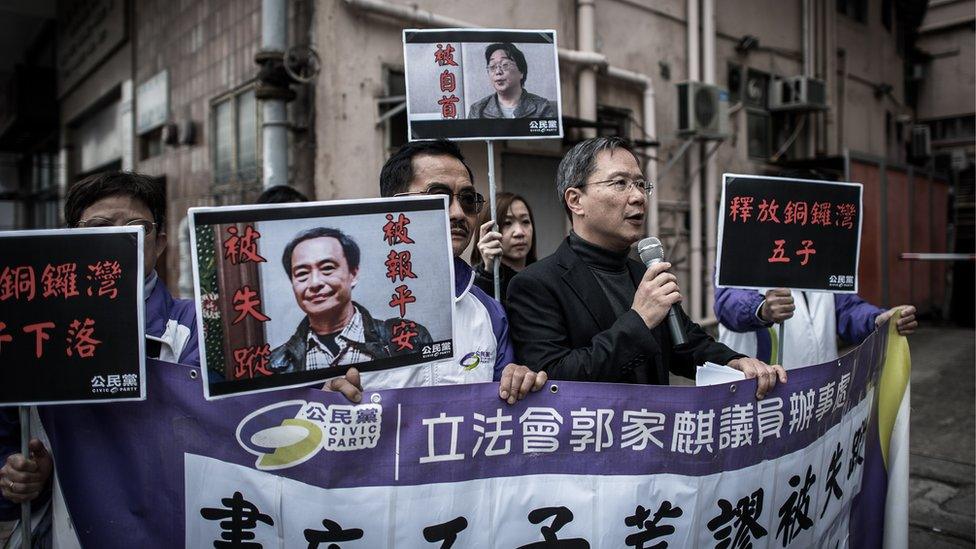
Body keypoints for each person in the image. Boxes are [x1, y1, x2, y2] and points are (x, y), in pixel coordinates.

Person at [0, 171, 201, 542]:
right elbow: (8, 441)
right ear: (72, 239)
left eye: (136, 228)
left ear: (159, 244)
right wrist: (19, 478)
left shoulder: (197, 328)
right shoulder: (31, 330)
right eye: (100, 226)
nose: (118, 239)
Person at [506, 137, 786, 398]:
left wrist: (735, 362)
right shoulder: (536, 284)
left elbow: (686, 345)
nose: (638, 197)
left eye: (641, 185)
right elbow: (556, 379)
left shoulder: (643, 274)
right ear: (576, 200)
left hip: (653, 439)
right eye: (620, 183)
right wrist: (640, 320)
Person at [325, 139, 546, 405]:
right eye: (439, 196)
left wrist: (517, 381)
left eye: (467, 200)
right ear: (393, 206)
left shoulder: (489, 313)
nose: (458, 213)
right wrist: (320, 399)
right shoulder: (336, 311)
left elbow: (502, 414)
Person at [269, 227, 432, 372]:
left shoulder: (409, 338)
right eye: (302, 273)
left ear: (353, 274)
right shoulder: (276, 363)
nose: (315, 283)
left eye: (327, 268)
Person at [714, 288, 917, 368]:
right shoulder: (744, 244)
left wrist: (877, 319)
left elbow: (845, 308)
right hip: (759, 400)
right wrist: (761, 309)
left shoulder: (819, 255)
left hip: (817, 398)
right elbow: (726, 303)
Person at [470, 191, 537, 303]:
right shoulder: (473, 284)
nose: (519, 232)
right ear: (488, 231)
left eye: (525, 221)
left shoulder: (544, 278)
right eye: (507, 223)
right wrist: (488, 273)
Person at [467, 43, 556, 119]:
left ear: (521, 72)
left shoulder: (541, 107)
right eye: (492, 66)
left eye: (505, 65)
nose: (498, 72)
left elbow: (547, 139)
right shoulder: (478, 110)